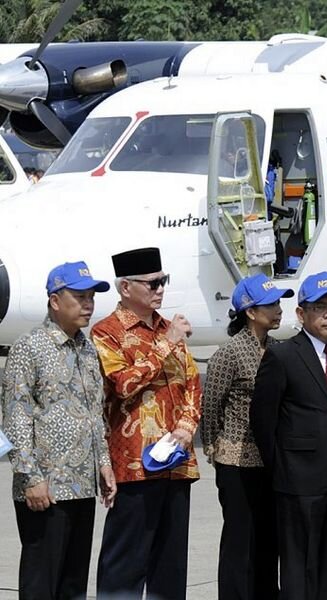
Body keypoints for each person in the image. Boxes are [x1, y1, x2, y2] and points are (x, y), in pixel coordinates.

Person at [1, 261, 117, 600]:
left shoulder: (86, 347)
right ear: (55, 300)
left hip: (81, 484)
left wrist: (104, 463)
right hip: (45, 488)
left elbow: (95, 411)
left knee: (73, 584)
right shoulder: (30, 347)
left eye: (91, 297)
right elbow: (15, 416)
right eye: (80, 296)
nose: (89, 304)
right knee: (42, 582)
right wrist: (31, 477)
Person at [91, 247, 202, 600]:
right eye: (152, 283)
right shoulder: (106, 333)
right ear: (125, 287)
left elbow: (192, 384)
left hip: (176, 463)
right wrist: (165, 345)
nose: (160, 289)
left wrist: (186, 428)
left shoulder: (170, 329)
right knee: (124, 565)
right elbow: (122, 384)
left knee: (170, 568)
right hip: (134, 465)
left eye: (163, 281)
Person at [250, 271, 327, 600]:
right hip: (298, 480)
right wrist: (284, 465)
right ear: (301, 313)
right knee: (299, 565)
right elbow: (263, 418)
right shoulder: (284, 356)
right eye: (321, 307)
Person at [202, 273, 295, 600]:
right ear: (250, 312)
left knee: (269, 539)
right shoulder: (230, 353)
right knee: (240, 541)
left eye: (279, 302)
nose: (278, 309)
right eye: (270, 304)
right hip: (236, 461)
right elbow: (211, 404)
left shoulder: (279, 349)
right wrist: (215, 447)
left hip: (270, 458)